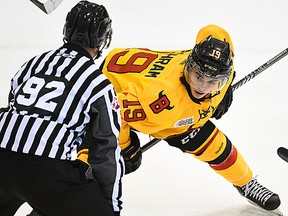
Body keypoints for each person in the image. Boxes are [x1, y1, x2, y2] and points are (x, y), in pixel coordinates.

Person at [77, 24, 281, 212]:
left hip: (147, 86)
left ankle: (246, 183)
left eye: (213, 82)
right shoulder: (162, 100)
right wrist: (126, 145)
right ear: (189, 66)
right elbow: (112, 109)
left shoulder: (220, 61)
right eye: (197, 76)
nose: (202, 86)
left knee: (216, 146)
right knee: (99, 153)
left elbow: (214, 31)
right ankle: (69, 188)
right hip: (111, 83)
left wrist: (227, 84)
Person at [0, 1, 124, 216]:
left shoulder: (33, 63)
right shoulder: (98, 83)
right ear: (104, 38)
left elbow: (15, 109)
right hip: (47, 172)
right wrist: (111, 208)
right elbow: (106, 151)